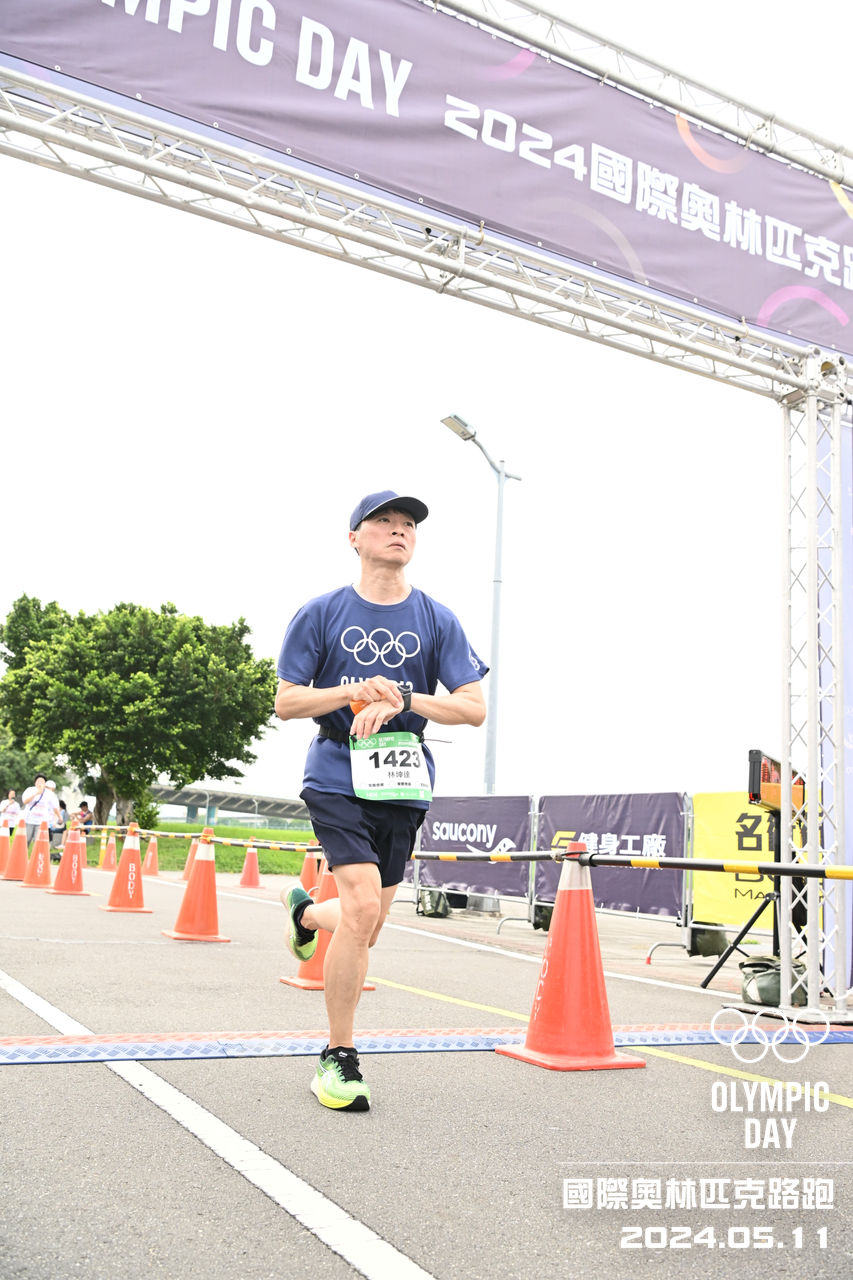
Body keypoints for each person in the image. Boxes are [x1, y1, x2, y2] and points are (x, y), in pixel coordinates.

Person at [275, 490, 487, 1111]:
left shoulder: (438, 619)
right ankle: (338, 1057)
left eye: (408, 524)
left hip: (402, 780)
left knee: (366, 924)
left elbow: (473, 708)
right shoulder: (321, 612)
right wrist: (352, 693)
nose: (399, 531)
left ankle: (307, 916)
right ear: (354, 538)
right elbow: (286, 700)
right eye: (385, 521)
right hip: (336, 773)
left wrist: (405, 698)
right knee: (363, 907)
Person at [21, 774, 62, 848]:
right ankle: (23, 854)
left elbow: (55, 807)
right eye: (38, 781)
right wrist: (36, 793)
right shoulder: (30, 790)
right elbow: (25, 801)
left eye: (42, 781)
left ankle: (35, 855)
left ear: (45, 784)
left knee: (38, 842)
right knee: (26, 840)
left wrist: (60, 817)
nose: (40, 783)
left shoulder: (49, 794)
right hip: (29, 820)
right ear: (35, 782)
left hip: (41, 821)